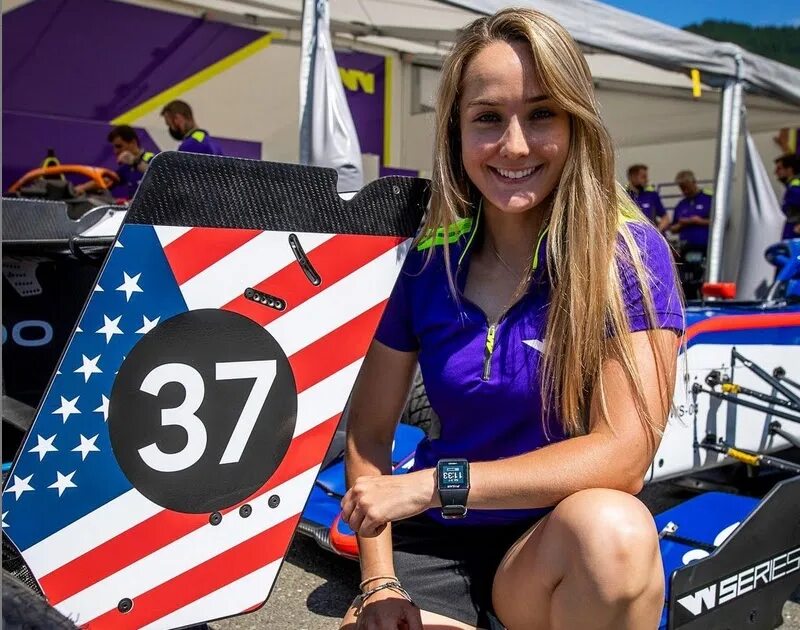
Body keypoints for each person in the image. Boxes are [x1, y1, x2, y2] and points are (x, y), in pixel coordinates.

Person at [339, 8, 683, 630]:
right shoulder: (427, 266)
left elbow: (623, 455)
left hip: (555, 547)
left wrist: (434, 484)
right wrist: (378, 581)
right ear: (455, 134)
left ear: (577, 123)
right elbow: (368, 434)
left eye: (542, 113)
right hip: (436, 550)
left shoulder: (627, 255)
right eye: (488, 119)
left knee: (614, 528)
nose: (515, 145)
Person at [74, 125, 155, 198]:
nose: (116, 151)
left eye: (119, 146)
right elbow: (107, 180)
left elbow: (157, 176)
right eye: (114, 147)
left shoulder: (152, 159)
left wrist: (134, 161)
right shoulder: (126, 167)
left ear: (133, 143)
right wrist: (82, 188)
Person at [668, 170, 712, 299]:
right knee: (686, 281)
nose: (684, 191)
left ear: (694, 183)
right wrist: (682, 224)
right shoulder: (681, 205)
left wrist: (698, 221)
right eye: (682, 188)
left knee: (702, 280)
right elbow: (673, 228)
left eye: (686, 187)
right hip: (686, 249)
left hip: (704, 248)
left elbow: (719, 221)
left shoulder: (708, 199)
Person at [160, 100, 224, 156]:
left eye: (169, 124)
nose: (171, 129)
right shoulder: (214, 144)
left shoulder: (190, 145)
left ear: (177, 118)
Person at [626, 164, 669, 232]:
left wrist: (657, 232)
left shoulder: (652, 195)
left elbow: (665, 218)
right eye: (643, 177)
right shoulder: (625, 196)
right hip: (632, 237)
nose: (647, 180)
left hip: (650, 237)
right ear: (632, 177)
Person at [775, 153, 800, 240]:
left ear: (789, 170)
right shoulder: (792, 186)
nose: (776, 172)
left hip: (794, 239)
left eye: (779, 169)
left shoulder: (795, 188)